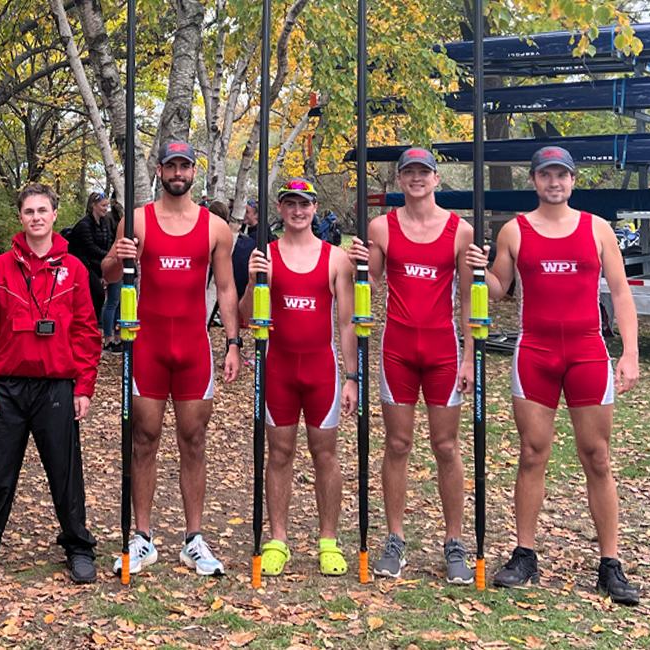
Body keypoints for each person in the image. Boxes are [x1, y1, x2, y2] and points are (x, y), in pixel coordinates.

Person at [466, 146, 640, 605]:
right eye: (546, 175)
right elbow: (500, 289)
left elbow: (620, 292)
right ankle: (525, 554)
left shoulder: (596, 229)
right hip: (536, 353)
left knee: (597, 456)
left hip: (586, 352)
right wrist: (479, 270)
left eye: (562, 175)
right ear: (534, 180)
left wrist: (631, 352)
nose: (554, 183)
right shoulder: (514, 230)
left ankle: (610, 563)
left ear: (573, 180)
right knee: (531, 453)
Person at [101, 140, 243, 576]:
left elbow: (225, 289)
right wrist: (119, 256)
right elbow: (107, 273)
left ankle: (193, 539)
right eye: (171, 166)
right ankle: (142, 538)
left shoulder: (216, 227)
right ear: (160, 170)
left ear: (193, 171)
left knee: (194, 441)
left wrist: (233, 342)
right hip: (149, 344)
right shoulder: (138, 221)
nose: (178, 172)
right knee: (144, 439)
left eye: (185, 165)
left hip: (194, 347)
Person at [0, 183, 100, 584]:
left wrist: (84, 385)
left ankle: (78, 546)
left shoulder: (75, 269)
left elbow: (87, 330)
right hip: (7, 389)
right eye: (29, 211)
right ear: (21, 217)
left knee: (65, 474)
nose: (36, 217)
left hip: (56, 386)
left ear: (54, 215)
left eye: (42, 210)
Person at [347, 147, 477, 584]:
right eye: (409, 173)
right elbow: (374, 276)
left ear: (437, 179)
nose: (417, 179)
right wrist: (359, 264)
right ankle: (396, 539)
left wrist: (468, 355)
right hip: (398, 348)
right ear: (399, 180)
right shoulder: (382, 226)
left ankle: (454, 541)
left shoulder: (460, 231)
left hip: (442, 349)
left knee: (446, 446)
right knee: (398, 444)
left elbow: (467, 300)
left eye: (424, 172)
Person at [239, 179, 358, 577]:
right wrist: (256, 280)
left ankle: (328, 541)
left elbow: (345, 325)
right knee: (280, 454)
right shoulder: (265, 256)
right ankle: (278, 539)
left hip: (321, 370)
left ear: (314, 207)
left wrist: (351, 377)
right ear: (280, 208)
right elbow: (244, 314)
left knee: (325, 455)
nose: (297, 212)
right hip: (280, 369)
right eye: (290, 204)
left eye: (304, 205)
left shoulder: (336, 258)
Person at [69, 191, 121, 351]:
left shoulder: (105, 223)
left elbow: (108, 242)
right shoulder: (84, 225)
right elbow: (90, 249)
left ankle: (113, 336)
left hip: (100, 264)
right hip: (84, 265)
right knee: (97, 295)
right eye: (103, 206)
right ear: (94, 206)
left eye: (107, 206)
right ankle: (99, 335)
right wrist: (109, 257)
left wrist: (109, 262)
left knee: (112, 298)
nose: (106, 209)